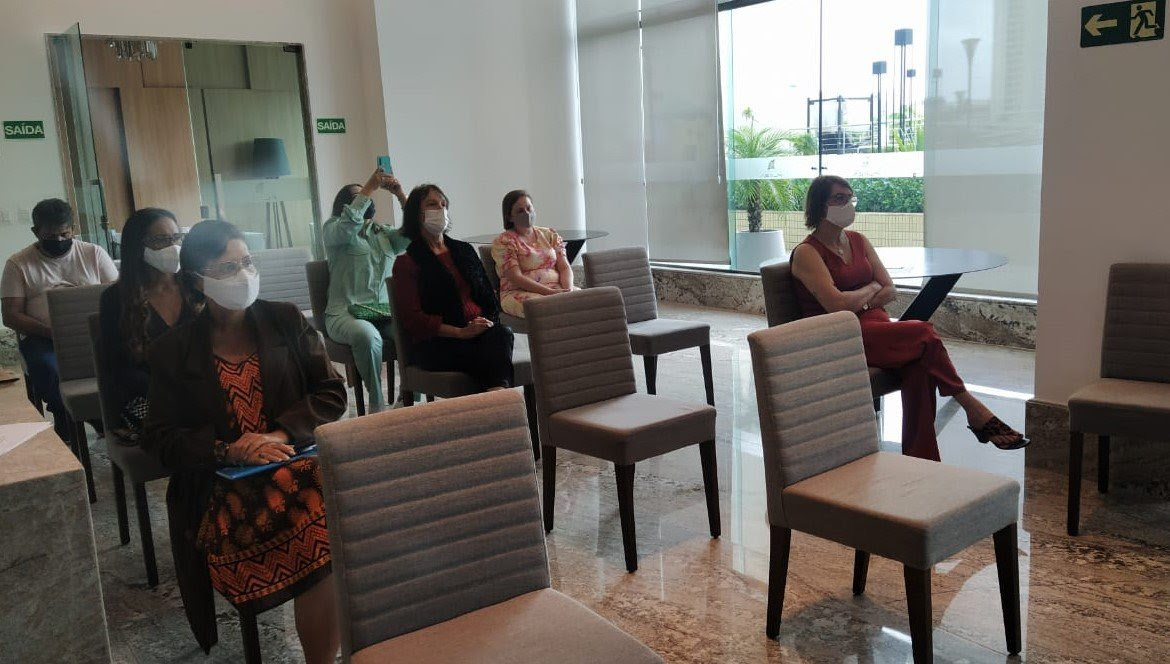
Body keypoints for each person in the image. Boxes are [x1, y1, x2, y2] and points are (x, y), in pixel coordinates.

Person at [142, 220, 346, 663]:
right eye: (227, 267)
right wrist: (227, 450)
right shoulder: (173, 350)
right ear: (198, 280)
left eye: (247, 262)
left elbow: (331, 393)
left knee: (325, 503)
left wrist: (278, 433)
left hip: (295, 463)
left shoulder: (284, 319)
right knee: (324, 519)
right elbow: (159, 438)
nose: (243, 274)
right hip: (223, 490)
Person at [790, 175, 1028, 461]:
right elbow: (837, 305)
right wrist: (871, 288)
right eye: (839, 199)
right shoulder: (807, 253)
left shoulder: (858, 240)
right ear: (819, 205)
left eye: (850, 198)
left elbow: (890, 289)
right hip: (840, 335)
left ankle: (921, 461)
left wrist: (862, 299)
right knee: (923, 333)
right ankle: (972, 407)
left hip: (876, 327)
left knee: (919, 367)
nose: (848, 205)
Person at [0, 198, 117, 442]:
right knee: (47, 369)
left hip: (92, 333)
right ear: (36, 232)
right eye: (51, 236)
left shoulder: (93, 253)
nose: (59, 240)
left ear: (73, 229)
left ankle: (95, 415)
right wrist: (51, 332)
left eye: (65, 234)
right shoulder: (18, 264)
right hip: (42, 338)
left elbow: (117, 297)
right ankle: (78, 418)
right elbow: (11, 315)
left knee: (128, 361)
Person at [390, 184, 514, 391]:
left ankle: (495, 398)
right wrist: (460, 332)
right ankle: (499, 399)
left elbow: (489, 297)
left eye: (443, 204)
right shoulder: (407, 262)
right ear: (417, 215)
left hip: (480, 332)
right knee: (492, 352)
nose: (441, 209)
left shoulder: (464, 250)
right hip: (439, 343)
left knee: (501, 335)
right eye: (432, 204)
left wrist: (484, 323)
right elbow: (413, 319)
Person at [98, 208, 195, 438]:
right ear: (138, 246)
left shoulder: (194, 287)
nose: (173, 246)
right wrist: (172, 392)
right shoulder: (116, 299)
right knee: (186, 431)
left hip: (200, 389)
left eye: (176, 238)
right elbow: (117, 368)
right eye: (161, 240)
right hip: (147, 396)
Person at [322, 169, 410, 412]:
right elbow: (348, 225)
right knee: (368, 336)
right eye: (358, 197)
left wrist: (400, 194)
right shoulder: (333, 230)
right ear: (344, 206)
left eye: (367, 195)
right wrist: (370, 186)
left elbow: (414, 233)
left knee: (414, 328)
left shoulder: (383, 233)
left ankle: (409, 395)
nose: (366, 199)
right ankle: (377, 404)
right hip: (344, 313)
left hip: (381, 312)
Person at [490, 189, 574, 318]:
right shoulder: (504, 241)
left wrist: (568, 291)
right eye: (520, 211)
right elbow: (516, 277)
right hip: (518, 292)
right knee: (549, 308)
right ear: (509, 217)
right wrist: (549, 293)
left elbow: (564, 267)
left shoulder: (549, 234)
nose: (527, 213)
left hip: (556, 288)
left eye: (529, 208)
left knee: (587, 302)